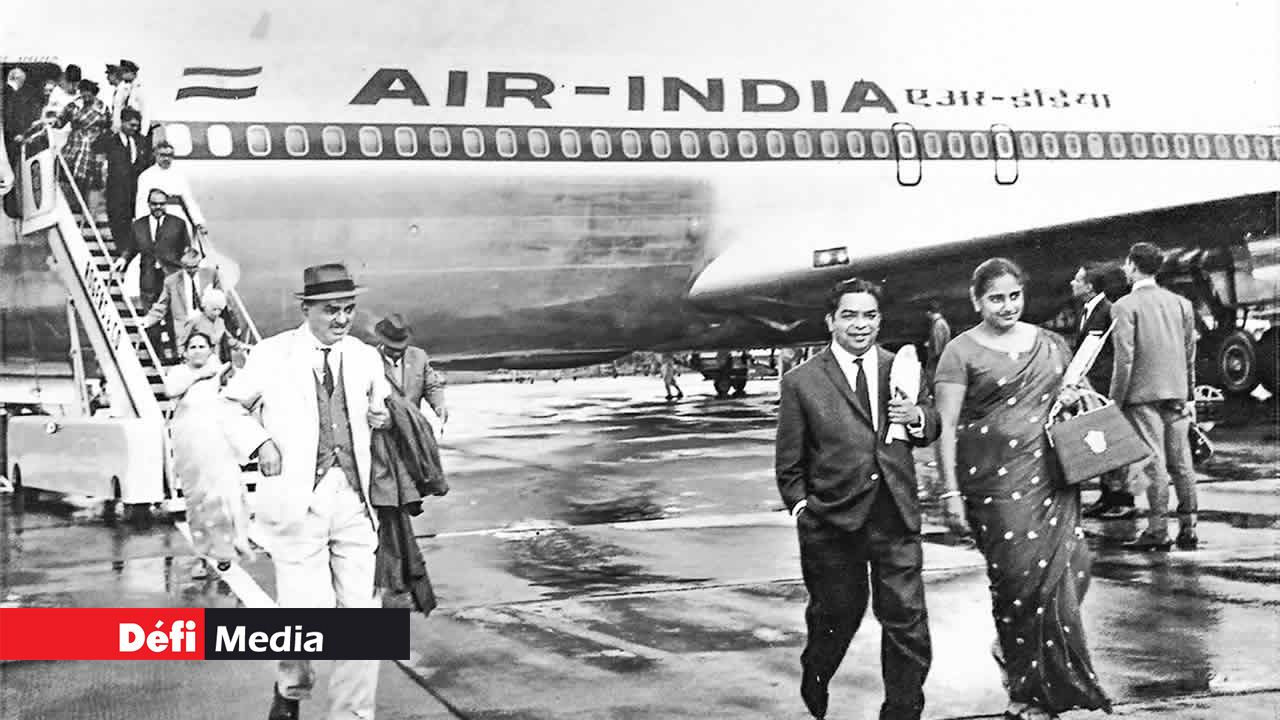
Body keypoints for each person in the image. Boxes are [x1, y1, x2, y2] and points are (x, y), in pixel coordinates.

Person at [934, 258, 1111, 719]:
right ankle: (1026, 691)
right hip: (994, 484)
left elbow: (1080, 397)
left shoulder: (1050, 343)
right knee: (1018, 586)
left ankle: (1047, 676)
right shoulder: (960, 352)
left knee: (1075, 569)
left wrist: (1074, 399)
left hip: (1051, 477)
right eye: (996, 298)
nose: (1007, 306)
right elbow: (946, 426)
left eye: (1014, 296)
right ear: (977, 301)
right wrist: (949, 492)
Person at [220, 262, 391, 720]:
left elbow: (383, 415)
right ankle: (291, 687)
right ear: (308, 309)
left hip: (356, 502)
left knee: (363, 619)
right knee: (304, 615)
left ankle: (353, 715)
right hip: (297, 503)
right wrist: (261, 442)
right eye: (331, 310)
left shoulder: (364, 357)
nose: (341, 319)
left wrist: (385, 419)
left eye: (348, 310)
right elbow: (230, 407)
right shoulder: (273, 355)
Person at [776, 278, 939, 720]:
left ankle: (902, 711)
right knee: (837, 619)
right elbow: (789, 465)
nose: (860, 325)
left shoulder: (900, 366)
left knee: (907, 623)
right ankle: (817, 669)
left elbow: (931, 424)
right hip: (833, 523)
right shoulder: (801, 382)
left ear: (879, 320)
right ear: (831, 321)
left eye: (869, 315)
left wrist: (919, 417)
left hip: (894, 513)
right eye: (849, 315)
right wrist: (803, 510)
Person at [1110, 242, 1199, 551]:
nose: (1124, 269)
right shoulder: (1181, 304)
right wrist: (1189, 393)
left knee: (1154, 463)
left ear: (1134, 266)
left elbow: (1125, 360)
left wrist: (1114, 401)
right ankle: (1189, 528)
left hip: (1142, 396)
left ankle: (1158, 531)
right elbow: (1190, 352)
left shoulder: (1124, 306)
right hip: (1177, 393)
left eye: (1126, 264)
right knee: (1182, 462)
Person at [163, 330, 251, 565]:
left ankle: (231, 545)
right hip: (190, 446)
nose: (197, 351)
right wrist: (201, 374)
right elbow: (171, 391)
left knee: (226, 492)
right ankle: (203, 553)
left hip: (216, 441)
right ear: (185, 352)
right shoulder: (179, 373)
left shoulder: (219, 372)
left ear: (210, 350)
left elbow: (240, 391)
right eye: (192, 347)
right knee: (199, 499)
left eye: (202, 346)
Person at [1070, 263, 1136, 520]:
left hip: (1104, 385)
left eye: (1077, 280)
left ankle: (1124, 499)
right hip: (1092, 385)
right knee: (1101, 442)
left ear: (1089, 286)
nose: (1072, 283)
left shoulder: (1107, 310)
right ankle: (1107, 496)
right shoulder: (1088, 309)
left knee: (1113, 444)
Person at [117, 188, 191, 308]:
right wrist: (123, 259)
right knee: (150, 315)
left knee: (172, 313)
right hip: (148, 278)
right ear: (148, 204)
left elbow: (187, 249)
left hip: (171, 276)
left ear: (166, 204)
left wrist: (188, 268)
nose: (158, 207)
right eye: (154, 204)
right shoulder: (138, 225)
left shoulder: (178, 224)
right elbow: (131, 247)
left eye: (162, 204)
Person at [374, 313, 448, 424]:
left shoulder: (419, 357)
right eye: (392, 348)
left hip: (413, 427)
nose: (396, 352)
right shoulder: (370, 360)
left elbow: (432, 386)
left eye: (400, 348)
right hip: (383, 430)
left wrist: (439, 405)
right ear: (383, 341)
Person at [97, 107, 149, 255]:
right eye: (131, 125)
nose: (134, 129)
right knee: (118, 222)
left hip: (135, 191)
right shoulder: (111, 140)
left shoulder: (141, 141)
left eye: (137, 126)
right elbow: (97, 150)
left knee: (134, 223)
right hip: (117, 191)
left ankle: (129, 252)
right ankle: (123, 252)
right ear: (122, 123)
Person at [51, 79, 110, 206]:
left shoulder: (103, 108)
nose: (85, 95)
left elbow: (108, 128)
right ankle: (67, 209)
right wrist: (51, 121)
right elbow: (60, 122)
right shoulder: (73, 106)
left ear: (94, 93)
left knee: (93, 181)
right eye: (83, 91)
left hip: (94, 147)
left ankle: (89, 213)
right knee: (65, 175)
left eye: (88, 92)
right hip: (74, 145)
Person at [136, 141, 206, 235]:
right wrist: (142, 226)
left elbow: (189, 200)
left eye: (169, 155)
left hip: (178, 215)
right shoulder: (146, 176)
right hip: (157, 216)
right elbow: (141, 203)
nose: (166, 158)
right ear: (155, 155)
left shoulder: (179, 175)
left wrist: (199, 222)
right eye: (162, 155)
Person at [180, 287, 248, 365]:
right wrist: (184, 358)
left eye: (219, 310)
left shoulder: (220, 321)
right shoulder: (194, 321)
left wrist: (242, 346)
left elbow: (229, 339)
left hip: (217, 360)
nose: (217, 313)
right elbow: (182, 342)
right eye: (214, 309)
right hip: (198, 362)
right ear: (205, 306)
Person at [112, 59, 147, 133]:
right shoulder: (123, 89)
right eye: (122, 72)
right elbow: (117, 109)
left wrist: (143, 132)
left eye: (125, 72)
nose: (122, 74)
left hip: (136, 127)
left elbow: (145, 112)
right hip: (123, 127)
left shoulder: (140, 89)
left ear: (133, 73)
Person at [923, 300, 951, 386]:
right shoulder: (941, 323)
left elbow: (938, 348)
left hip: (937, 363)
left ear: (929, 313)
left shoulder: (938, 325)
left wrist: (930, 347)